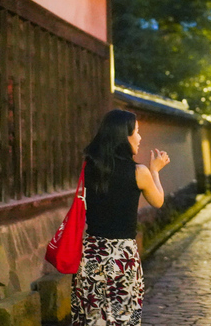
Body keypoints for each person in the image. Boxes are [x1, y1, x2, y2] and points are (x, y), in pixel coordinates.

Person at [71, 109, 170, 326]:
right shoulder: (139, 172)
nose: (140, 137)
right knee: (123, 320)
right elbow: (158, 201)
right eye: (136, 132)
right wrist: (155, 171)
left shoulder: (90, 167)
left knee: (91, 320)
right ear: (122, 136)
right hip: (121, 258)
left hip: (91, 255)